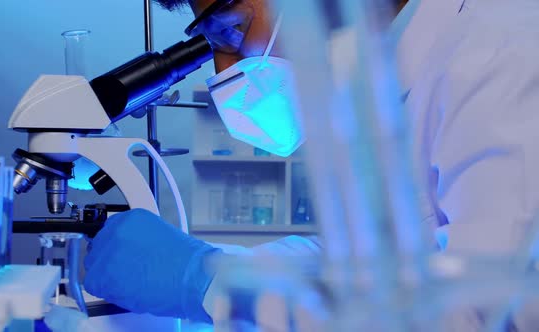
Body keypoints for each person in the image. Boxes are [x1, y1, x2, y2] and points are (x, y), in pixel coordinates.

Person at [83, 0, 539, 328]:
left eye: (232, 28)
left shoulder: (501, 57)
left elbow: (489, 307)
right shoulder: (379, 80)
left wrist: (214, 286)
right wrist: (219, 267)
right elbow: (367, 266)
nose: (222, 72)